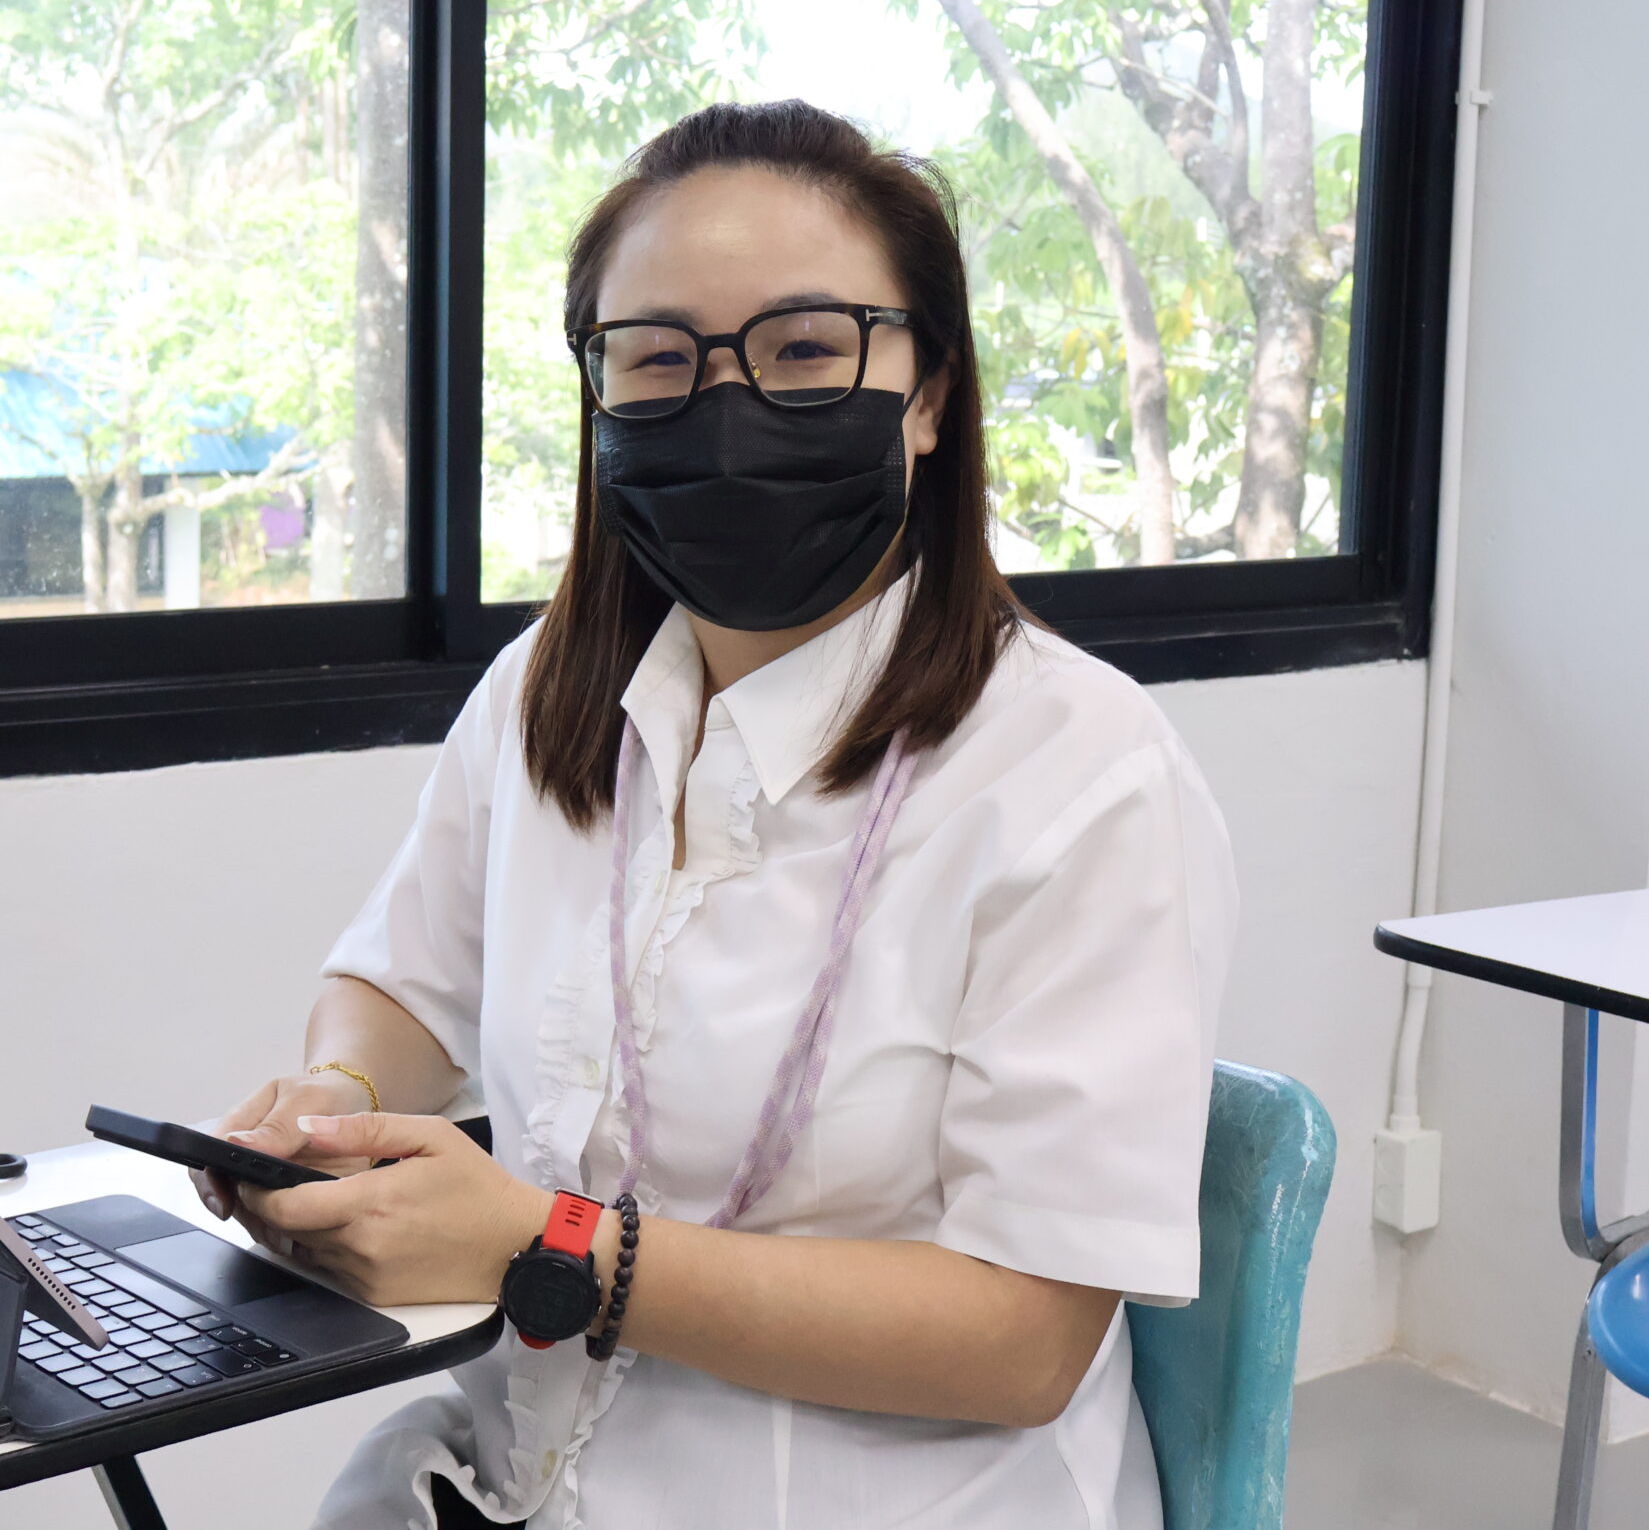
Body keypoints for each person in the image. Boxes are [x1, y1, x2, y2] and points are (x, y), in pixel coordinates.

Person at [199, 99, 1235, 1530]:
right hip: (509, 1477)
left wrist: (551, 1248)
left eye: (805, 349)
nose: (728, 409)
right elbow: (404, 982)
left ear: (930, 395)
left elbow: (1023, 1343)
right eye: (660, 359)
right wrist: (342, 1095)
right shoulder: (547, 692)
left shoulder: (1078, 770)